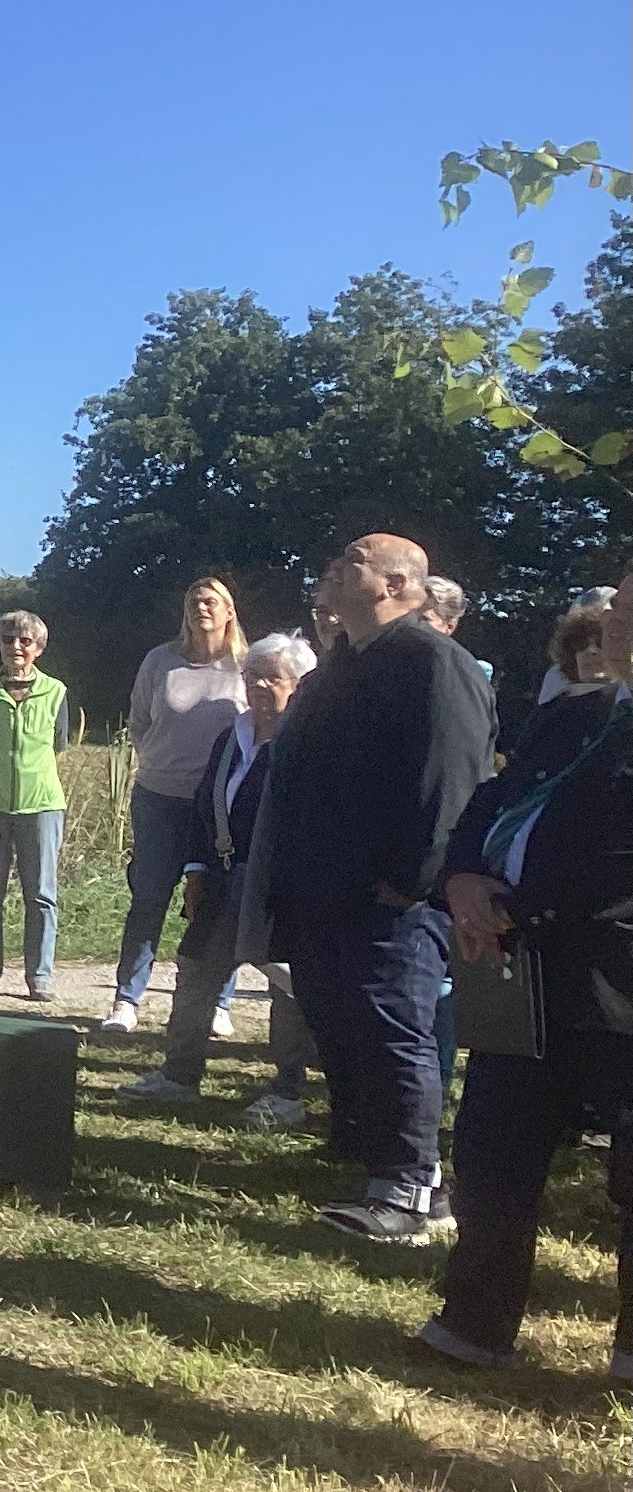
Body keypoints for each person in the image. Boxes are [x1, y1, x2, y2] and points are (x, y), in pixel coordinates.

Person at [427, 568, 631, 1377]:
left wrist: (533, 901)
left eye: (627, 603)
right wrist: (465, 878)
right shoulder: (572, 714)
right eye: (613, 602)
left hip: (614, 973)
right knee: (492, 1153)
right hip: (522, 975)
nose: (609, 615)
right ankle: (475, 1324)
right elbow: (492, 802)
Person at [263, 533, 497, 1241]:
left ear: (399, 585)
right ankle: (366, 1153)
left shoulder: (433, 663)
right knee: (339, 1021)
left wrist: (412, 881)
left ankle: (412, 1183)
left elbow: (450, 781)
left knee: (394, 1030)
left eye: (355, 561)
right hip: (324, 891)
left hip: (390, 897)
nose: (336, 566)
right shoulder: (341, 664)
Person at [119, 635, 322, 1111]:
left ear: (299, 684)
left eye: (273, 677)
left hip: (280, 887)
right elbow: (204, 808)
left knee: (286, 986)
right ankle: (179, 1075)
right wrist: (196, 869)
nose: (259, 685)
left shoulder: (310, 744)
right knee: (195, 972)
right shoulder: (231, 737)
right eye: (252, 675)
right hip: (224, 876)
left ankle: (286, 1091)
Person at [105, 578, 249, 1034]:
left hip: (220, 804)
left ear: (230, 612)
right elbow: (141, 721)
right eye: (193, 602)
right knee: (148, 897)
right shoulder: (160, 660)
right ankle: (127, 999)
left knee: (216, 903)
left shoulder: (246, 665)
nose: (201, 608)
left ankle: (218, 1003)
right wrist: (162, 762)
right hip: (160, 797)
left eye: (211, 602)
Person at [0, 610, 77, 1001]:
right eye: (8, 640)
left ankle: (39, 975)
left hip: (42, 804)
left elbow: (59, 743)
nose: (16, 647)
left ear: (39, 649)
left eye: (25, 641)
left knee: (41, 894)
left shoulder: (56, 692)